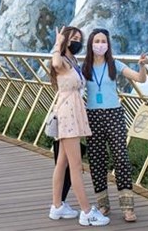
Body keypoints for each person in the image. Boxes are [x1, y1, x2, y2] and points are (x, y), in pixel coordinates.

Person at [81, 28, 147, 223]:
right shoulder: (85, 67)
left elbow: (140, 78)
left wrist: (142, 66)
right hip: (92, 116)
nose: (100, 44)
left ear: (108, 45)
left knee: (121, 158)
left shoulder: (114, 64)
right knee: (97, 161)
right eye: (97, 41)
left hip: (114, 115)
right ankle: (103, 204)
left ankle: (128, 207)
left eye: (103, 41)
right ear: (91, 44)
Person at [49, 26, 110, 227]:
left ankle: (57, 206)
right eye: (73, 38)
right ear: (66, 40)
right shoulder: (61, 60)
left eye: (79, 38)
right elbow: (55, 63)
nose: (77, 41)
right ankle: (86, 212)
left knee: (62, 162)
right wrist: (57, 43)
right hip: (68, 115)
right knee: (75, 166)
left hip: (72, 112)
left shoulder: (72, 61)